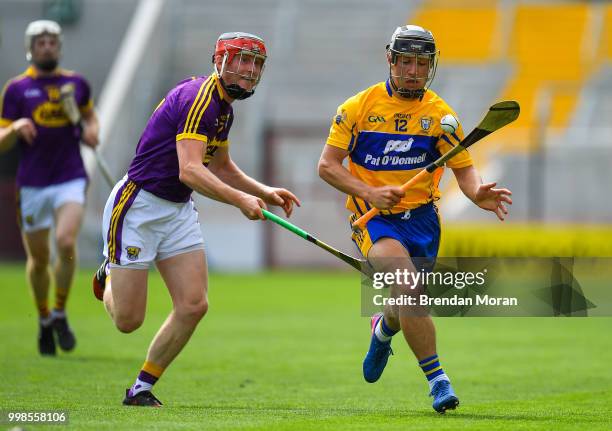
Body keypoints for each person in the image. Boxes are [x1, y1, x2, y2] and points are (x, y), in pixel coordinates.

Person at [92, 32, 300, 407]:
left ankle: (141, 387)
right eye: (242, 60)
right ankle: (109, 272)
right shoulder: (198, 99)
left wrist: (264, 191)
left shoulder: (225, 109)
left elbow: (220, 166)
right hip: (139, 206)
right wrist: (240, 200)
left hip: (177, 210)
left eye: (255, 64)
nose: (250, 70)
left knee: (193, 304)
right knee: (128, 321)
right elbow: (190, 170)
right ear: (220, 60)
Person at [318, 25, 512, 413]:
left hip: (423, 220)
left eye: (421, 64)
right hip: (373, 218)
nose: (412, 71)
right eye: (405, 61)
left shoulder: (441, 117)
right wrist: (369, 192)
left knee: (404, 298)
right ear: (390, 60)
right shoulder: (357, 108)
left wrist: (476, 193)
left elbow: (464, 170)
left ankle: (382, 329)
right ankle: (438, 381)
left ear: (431, 67)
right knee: (407, 285)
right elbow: (327, 167)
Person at [0, 20, 99, 356]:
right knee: (39, 259)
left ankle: (59, 311)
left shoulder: (76, 84)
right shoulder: (16, 90)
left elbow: (90, 118)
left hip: (69, 175)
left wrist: (92, 132)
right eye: (40, 42)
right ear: (31, 47)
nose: (46, 46)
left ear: (59, 46)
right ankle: (43, 318)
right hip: (32, 183)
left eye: (52, 41)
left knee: (66, 241)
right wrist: (15, 127)